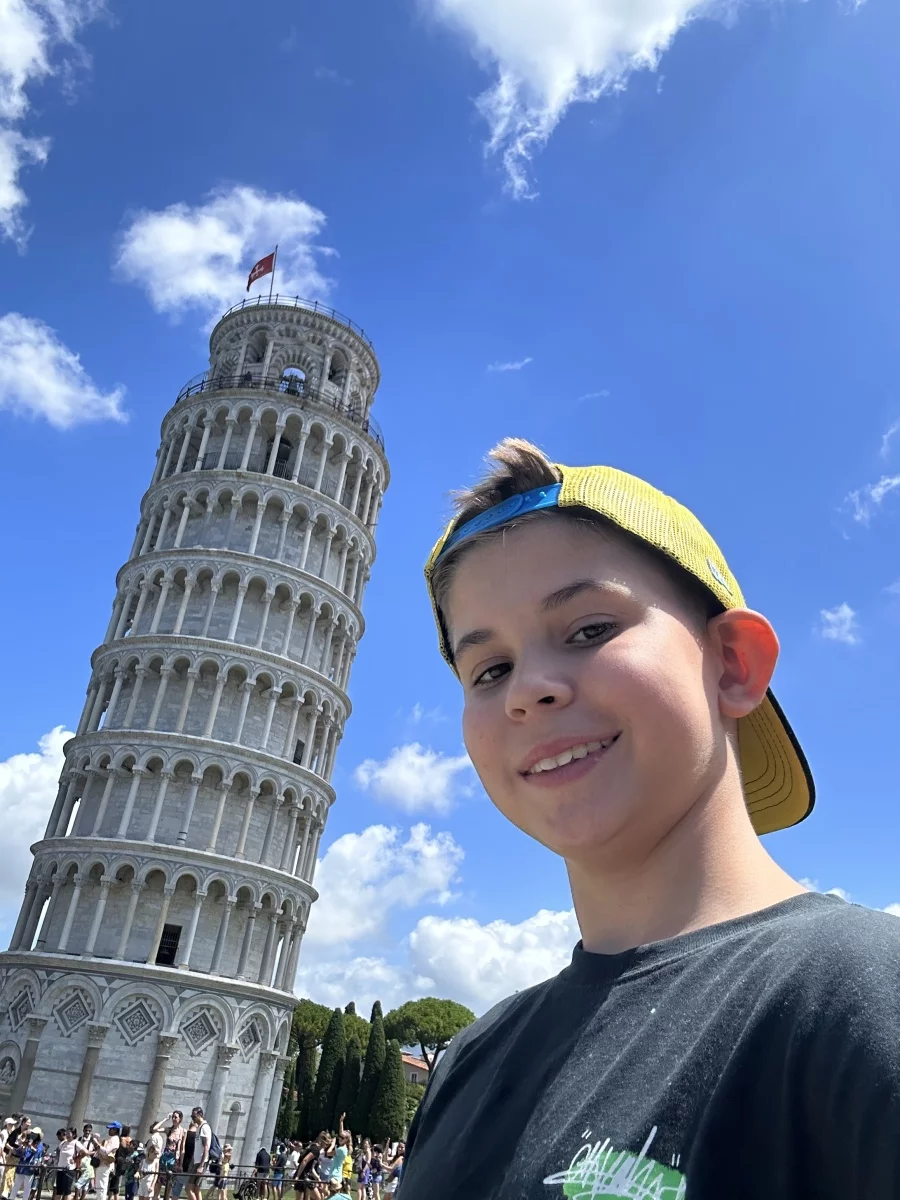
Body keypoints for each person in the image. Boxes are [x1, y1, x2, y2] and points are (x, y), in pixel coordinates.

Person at [401, 438, 900, 1198]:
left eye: (589, 630)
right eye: (490, 669)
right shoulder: (469, 1062)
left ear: (733, 664)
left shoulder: (868, 1000)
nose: (527, 689)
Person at [9, 1132, 43, 1200]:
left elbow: (38, 1153)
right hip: (21, 1166)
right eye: (33, 1133)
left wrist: (31, 1146)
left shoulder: (39, 1144)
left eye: (35, 1134)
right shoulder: (28, 1141)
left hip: (30, 1167)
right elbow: (18, 1153)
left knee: (27, 1186)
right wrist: (22, 1146)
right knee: (16, 1184)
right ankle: (11, 1198)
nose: (33, 1135)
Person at [186, 1109, 210, 1200]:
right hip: (197, 1161)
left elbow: (206, 1147)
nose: (192, 1118)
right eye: (191, 1116)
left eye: (194, 1116)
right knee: (196, 1189)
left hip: (200, 1162)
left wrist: (201, 1165)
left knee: (188, 1188)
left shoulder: (204, 1128)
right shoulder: (199, 1127)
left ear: (200, 1115)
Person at [53, 1128, 82, 1200]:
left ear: (74, 1135)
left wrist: (76, 1159)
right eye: (66, 1133)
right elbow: (58, 1151)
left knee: (67, 1191)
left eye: (69, 1133)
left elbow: (85, 1152)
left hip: (69, 1169)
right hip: (60, 1169)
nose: (67, 1135)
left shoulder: (76, 1143)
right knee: (58, 1191)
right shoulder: (63, 1143)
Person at [93, 1125, 120, 1200]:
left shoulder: (114, 1139)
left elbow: (106, 1151)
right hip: (102, 1164)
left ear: (115, 1130)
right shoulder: (112, 1138)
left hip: (105, 1164)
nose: (109, 1130)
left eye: (111, 1129)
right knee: (99, 1187)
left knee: (101, 1187)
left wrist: (97, 1144)